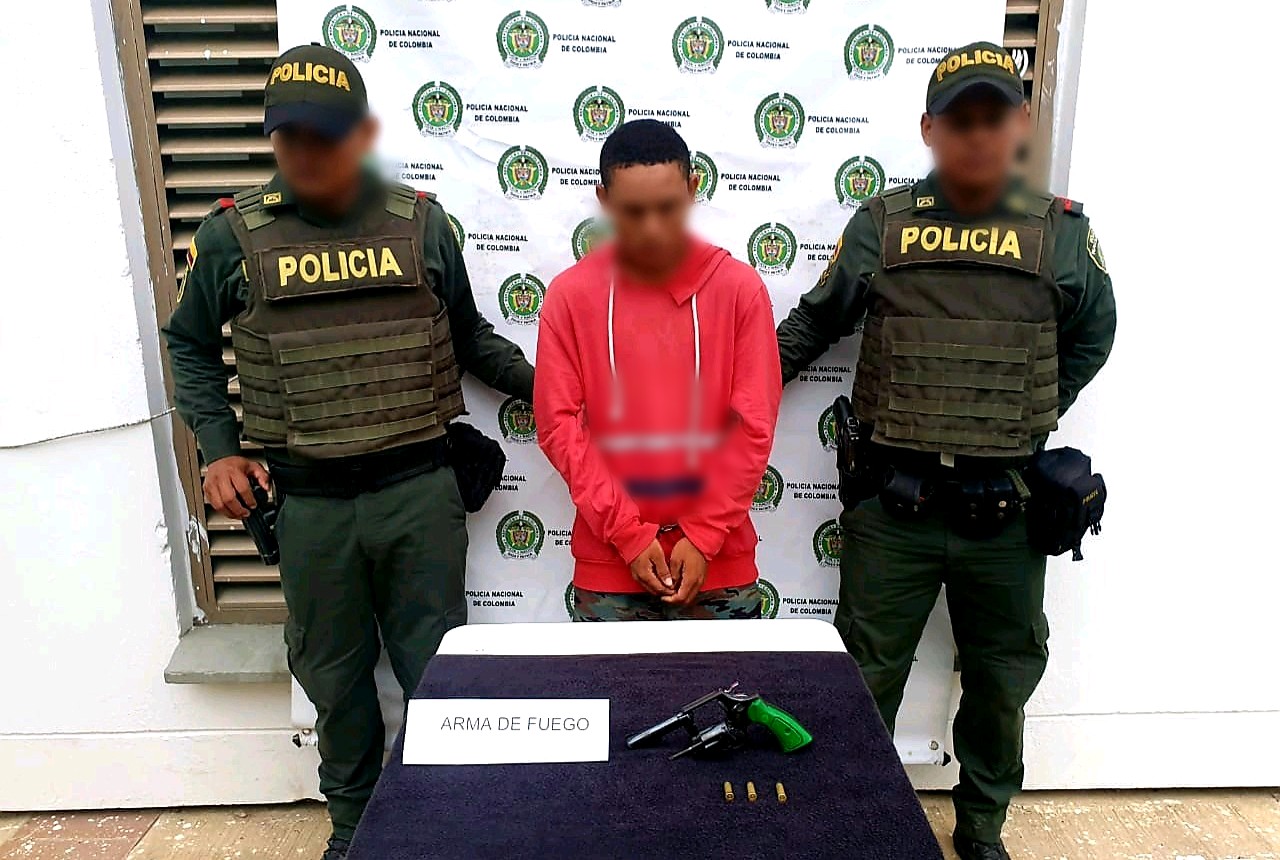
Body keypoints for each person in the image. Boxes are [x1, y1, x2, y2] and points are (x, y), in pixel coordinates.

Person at [162, 45, 533, 860]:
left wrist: (550, 387)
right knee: (334, 678)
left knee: (438, 669)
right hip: (311, 504)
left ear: (362, 135)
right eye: (289, 136)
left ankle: (445, 823)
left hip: (417, 492)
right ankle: (355, 831)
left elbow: (469, 335)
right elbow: (188, 344)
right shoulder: (232, 237)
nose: (307, 153)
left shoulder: (421, 224)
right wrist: (219, 450)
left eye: (324, 136)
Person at [775, 42, 1116, 860]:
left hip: (1006, 512)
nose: (977, 135)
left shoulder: (1062, 234)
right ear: (930, 129)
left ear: (1021, 124)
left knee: (1001, 682)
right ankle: (853, 825)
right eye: (960, 120)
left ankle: (981, 827)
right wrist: (735, 393)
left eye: (994, 117)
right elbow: (815, 323)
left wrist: (1028, 413)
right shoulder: (884, 224)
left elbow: (1092, 336)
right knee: (864, 679)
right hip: (895, 505)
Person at [535, 120, 782, 621]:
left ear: (693, 189)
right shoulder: (570, 296)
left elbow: (753, 425)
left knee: (728, 680)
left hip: (721, 568)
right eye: (633, 212)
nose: (651, 228)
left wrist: (704, 534)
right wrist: (628, 533)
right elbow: (558, 426)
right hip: (609, 569)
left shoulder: (739, 290)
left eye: (667, 208)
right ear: (603, 200)